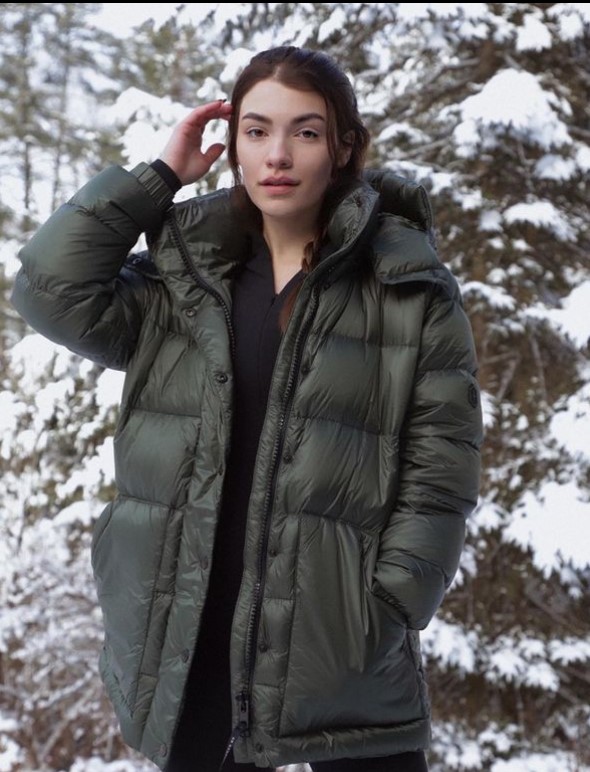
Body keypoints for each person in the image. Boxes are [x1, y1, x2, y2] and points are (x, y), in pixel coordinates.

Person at [11, 46, 483, 772]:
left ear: (344, 146)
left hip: (341, 651)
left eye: (306, 131)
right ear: (232, 145)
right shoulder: (183, 282)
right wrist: (159, 178)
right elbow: (49, 288)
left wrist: (387, 609)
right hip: (191, 636)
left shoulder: (407, 286)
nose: (278, 155)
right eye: (256, 131)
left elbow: (441, 471)